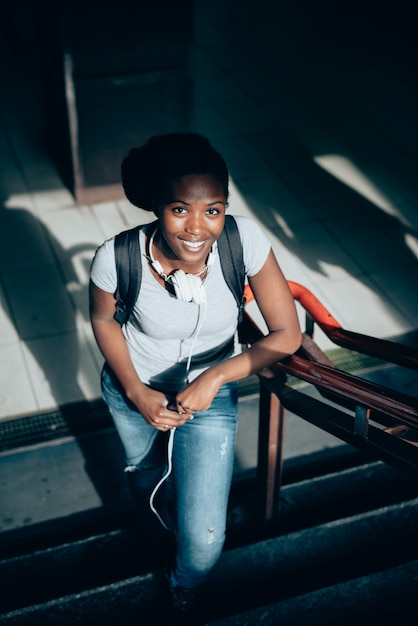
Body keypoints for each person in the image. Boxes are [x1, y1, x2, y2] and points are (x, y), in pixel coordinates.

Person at [89, 132, 302, 618]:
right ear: (156, 206)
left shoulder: (243, 239)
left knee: (205, 539)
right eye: (179, 209)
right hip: (133, 390)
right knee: (145, 474)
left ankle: (182, 579)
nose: (197, 228)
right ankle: (154, 536)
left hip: (211, 394)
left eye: (214, 210)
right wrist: (136, 391)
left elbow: (286, 334)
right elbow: (103, 320)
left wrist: (214, 379)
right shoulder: (117, 256)